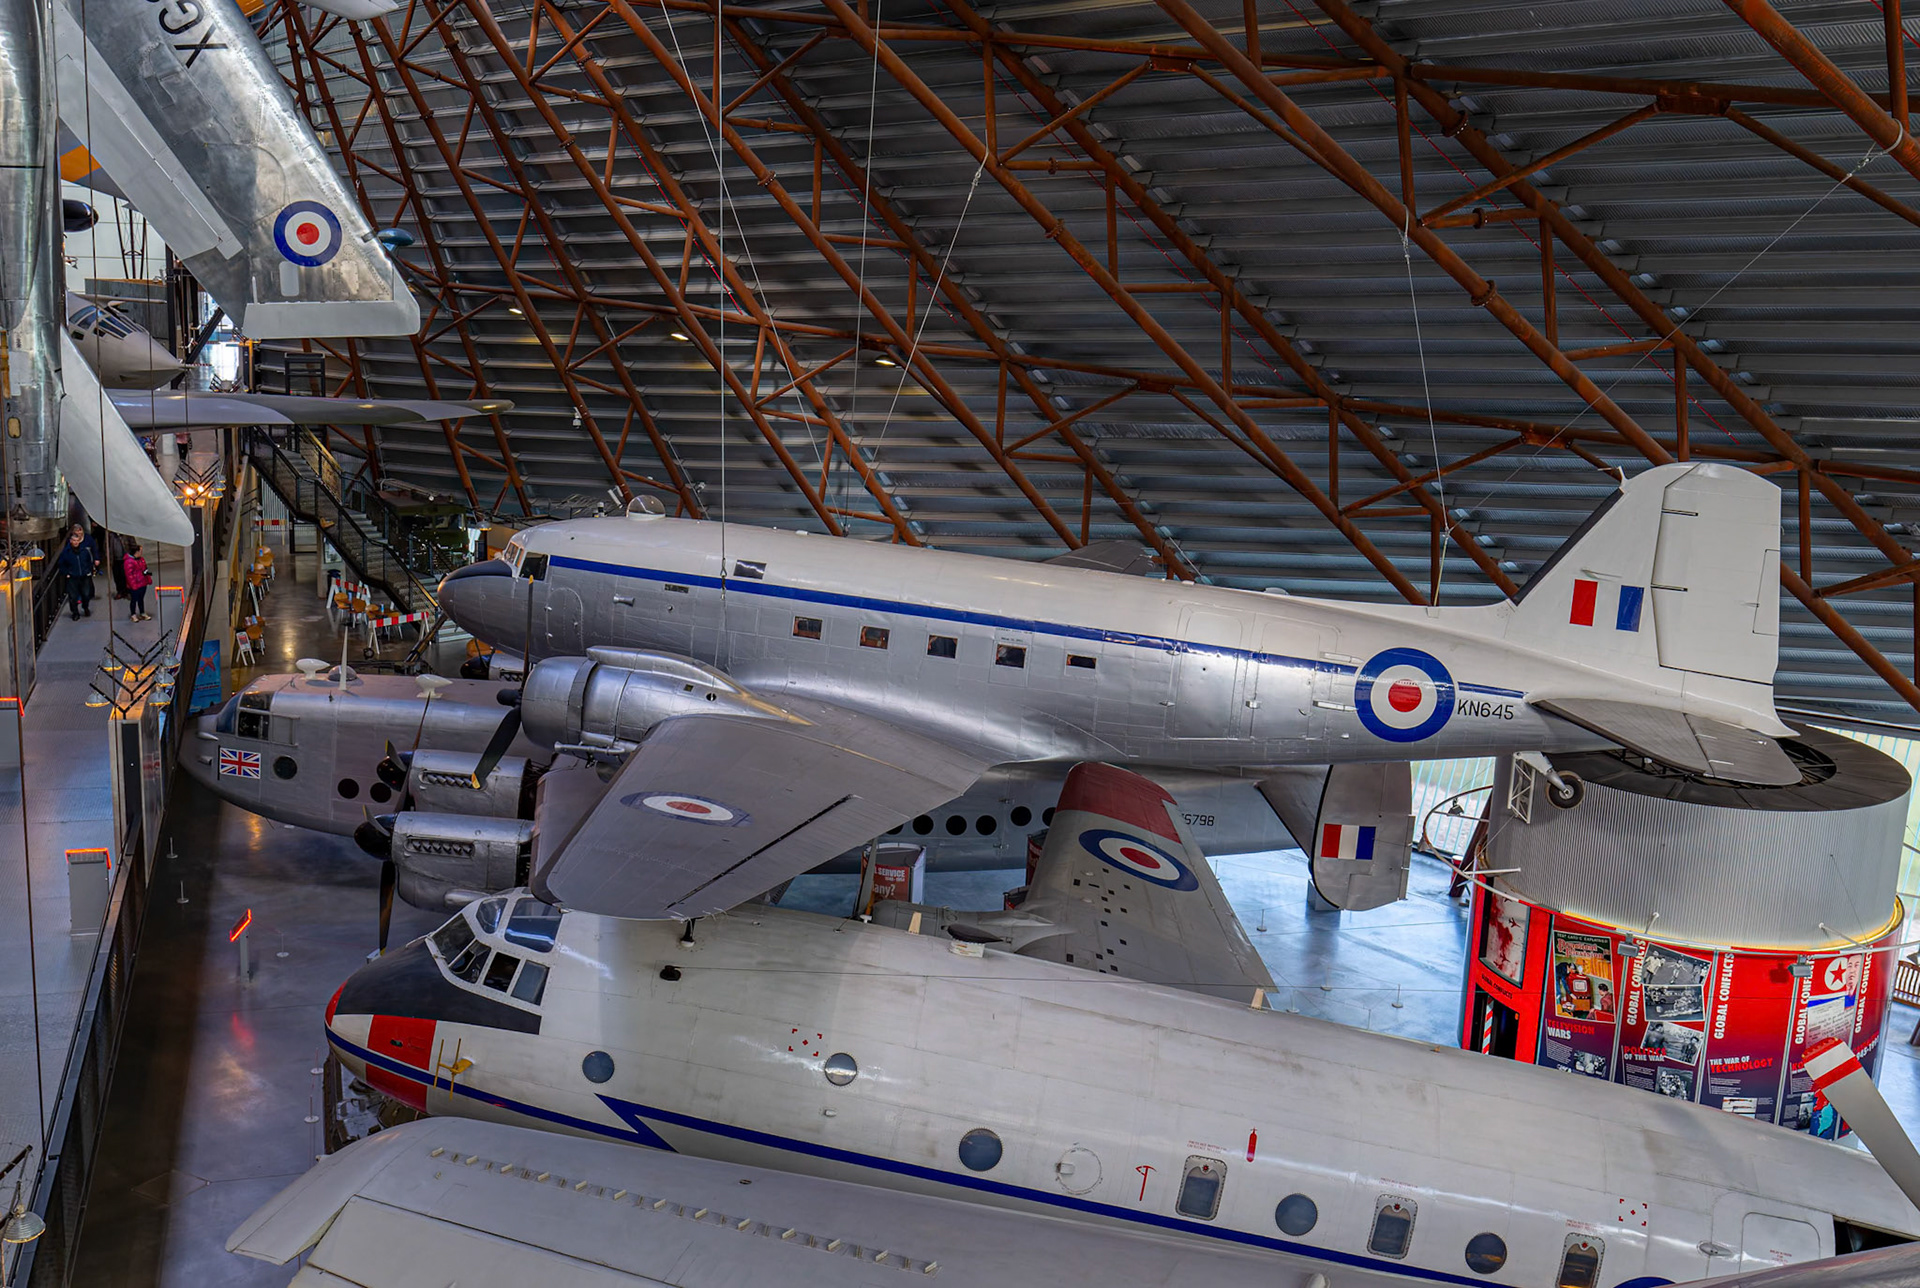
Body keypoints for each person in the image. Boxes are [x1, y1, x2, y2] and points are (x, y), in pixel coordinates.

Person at [53, 525, 98, 620]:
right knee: (73, 597)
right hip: (73, 577)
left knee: (86, 594)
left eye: (77, 541)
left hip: (84, 575)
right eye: (74, 541)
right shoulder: (66, 552)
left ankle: (85, 607)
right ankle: (75, 613)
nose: (76, 542)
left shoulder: (84, 551)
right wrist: (66, 573)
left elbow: (88, 561)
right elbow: (61, 564)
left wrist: (89, 571)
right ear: (71, 541)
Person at [124, 544, 151, 621]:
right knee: (134, 600)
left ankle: (142, 612)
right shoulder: (129, 562)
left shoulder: (141, 559)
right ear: (136, 552)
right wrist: (133, 585)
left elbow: (145, 569)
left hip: (142, 583)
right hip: (135, 585)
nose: (141, 552)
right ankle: (133, 614)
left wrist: (148, 579)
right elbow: (129, 576)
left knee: (141, 599)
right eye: (140, 551)